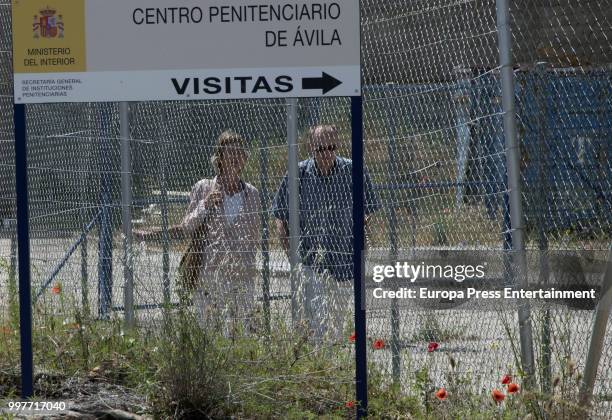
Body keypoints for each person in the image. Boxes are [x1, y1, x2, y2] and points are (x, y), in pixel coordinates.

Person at [136, 130, 261, 336]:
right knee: (210, 332)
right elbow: (187, 225)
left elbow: (254, 237)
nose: (236, 158)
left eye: (240, 153)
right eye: (230, 153)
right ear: (219, 158)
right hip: (208, 273)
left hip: (241, 274)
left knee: (240, 333)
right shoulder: (203, 187)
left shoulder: (252, 194)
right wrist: (205, 205)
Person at [271, 124, 380, 342]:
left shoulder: (353, 171)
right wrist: (294, 259)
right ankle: (317, 361)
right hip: (311, 259)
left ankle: (332, 364)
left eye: (331, 147)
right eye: (321, 149)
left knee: (337, 323)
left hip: (345, 258)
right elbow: (280, 218)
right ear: (311, 147)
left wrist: (359, 235)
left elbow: (369, 210)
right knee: (316, 320)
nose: (327, 153)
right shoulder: (298, 174)